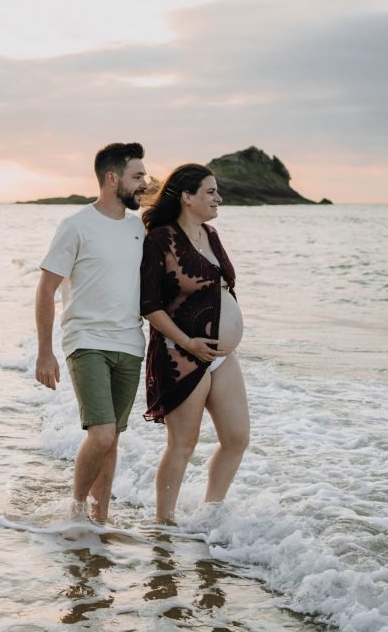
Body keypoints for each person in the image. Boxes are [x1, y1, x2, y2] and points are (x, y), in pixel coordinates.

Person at [35, 142, 149, 523]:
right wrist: (44, 352)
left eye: (144, 176)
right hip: (86, 341)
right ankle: (77, 508)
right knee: (100, 434)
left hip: (131, 343)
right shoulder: (75, 226)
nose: (143, 183)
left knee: (112, 438)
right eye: (137, 176)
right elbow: (46, 288)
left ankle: (101, 516)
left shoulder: (138, 228)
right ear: (111, 178)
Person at [140, 163, 250, 524]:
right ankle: (164, 523)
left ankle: (210, 515)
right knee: (183, 445)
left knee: (236, 438)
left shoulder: (211, 233)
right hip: (180, 353)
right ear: (187, 197)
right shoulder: (161, 238)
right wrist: (188, 340)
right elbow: (149, 305)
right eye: (210, 191)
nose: (219, 198)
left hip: (220, 355)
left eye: (217, 191)